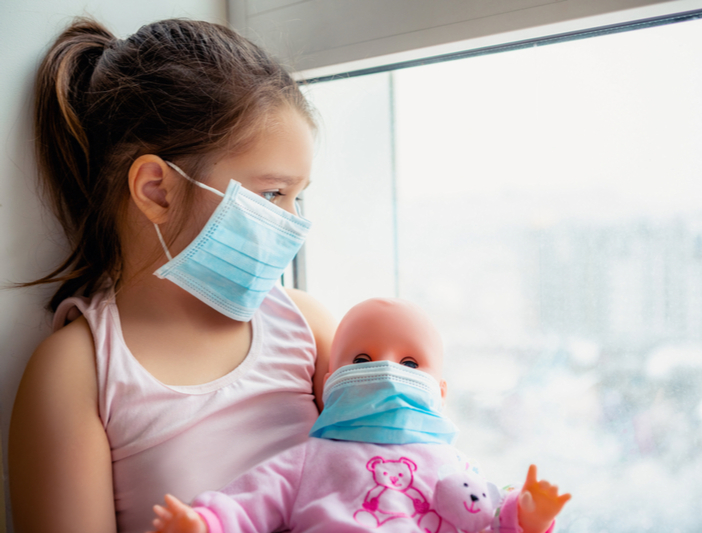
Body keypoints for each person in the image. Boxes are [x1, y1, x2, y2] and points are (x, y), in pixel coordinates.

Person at [8, 17, 336, 533]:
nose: (292, 222)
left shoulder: (309, 328)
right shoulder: (77, 372)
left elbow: (392, 473)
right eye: (273, 194)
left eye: (299, 195)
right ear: (157, 189)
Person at [147, 298, 571, 533]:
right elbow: (251, 501)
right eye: (363, 357)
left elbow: (490, 522)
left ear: (440, 392)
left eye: (409, 364)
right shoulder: (311, 460)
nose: (384, 369)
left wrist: (527, 515)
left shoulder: (456, 465)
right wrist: (203, 522)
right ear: (331, 380)